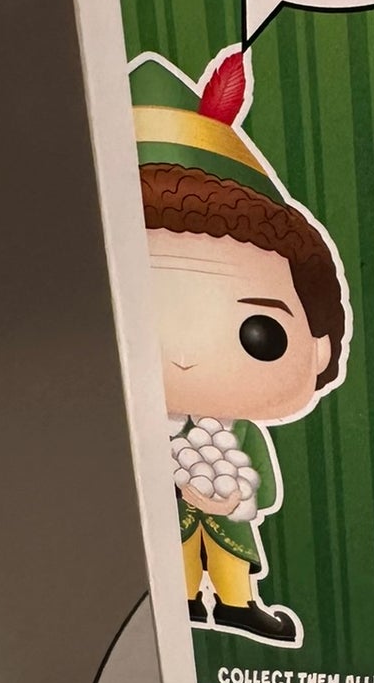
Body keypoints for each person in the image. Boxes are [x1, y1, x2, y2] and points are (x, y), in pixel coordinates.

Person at [132, 47, 349, 644]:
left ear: (319, 347)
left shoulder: (239, 433)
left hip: (230, 515)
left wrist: (230, 499)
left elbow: (266, 486)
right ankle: (179, 602)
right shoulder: (143, 431)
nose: (184, 357)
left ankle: (235, 603)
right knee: (171, 563)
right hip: (159, 533)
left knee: (231, 561)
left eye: (261, 335)